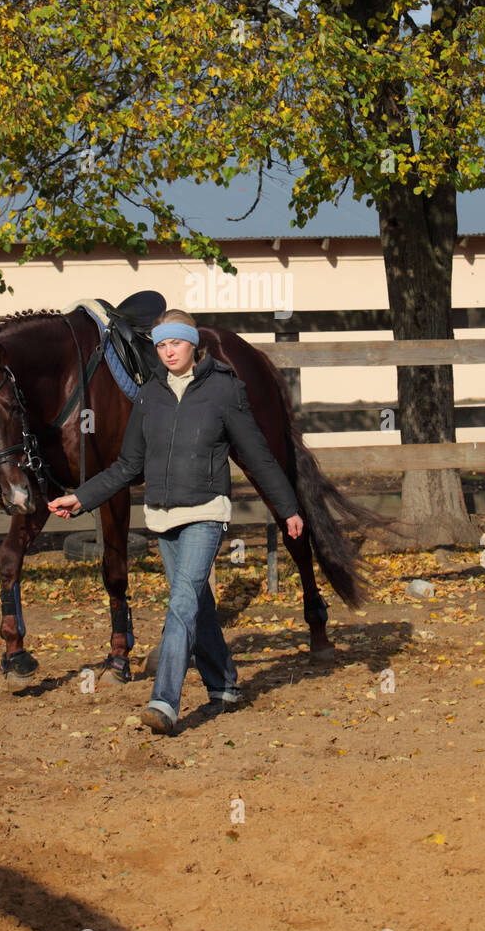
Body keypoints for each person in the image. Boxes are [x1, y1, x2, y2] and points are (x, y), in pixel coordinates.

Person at [48, 308, 303, 735]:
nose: (168, 352)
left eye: (176, 343)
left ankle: (164, 701)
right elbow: (128, 464)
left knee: (181, 603)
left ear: (193, 345)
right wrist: (81, 497)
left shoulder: (225, 390)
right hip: (162, 518)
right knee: (197, 604)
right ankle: (224, 685)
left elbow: (258, 455)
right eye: (162, 344)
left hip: (206, 514)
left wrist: (288, 508)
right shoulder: (149, 395)